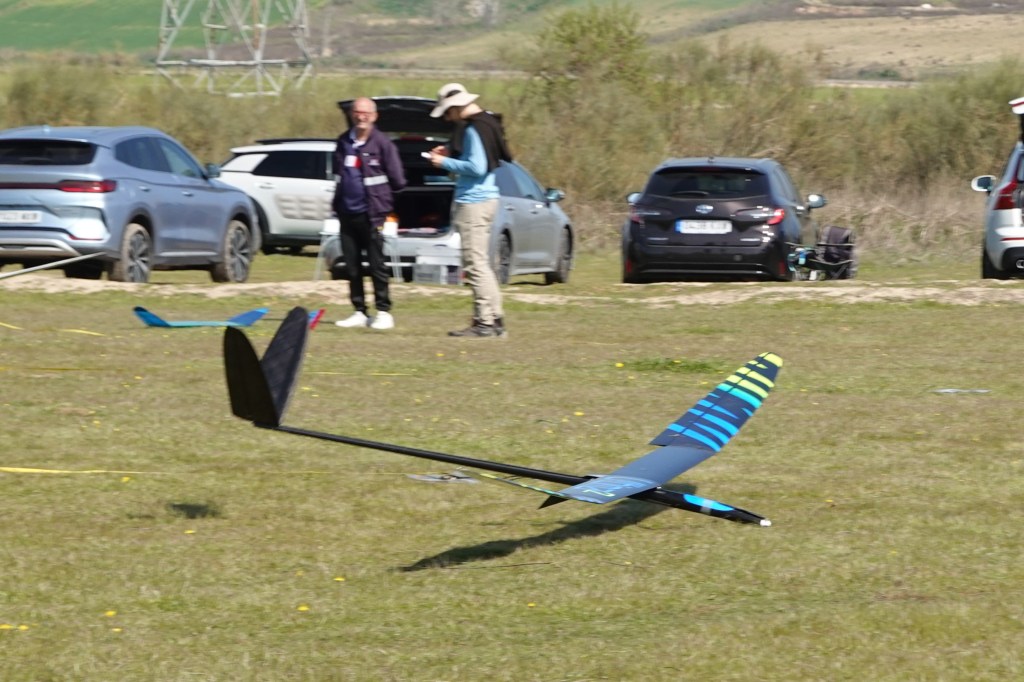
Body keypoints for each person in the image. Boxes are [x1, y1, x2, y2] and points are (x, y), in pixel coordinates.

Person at [426, 83, 513, 338]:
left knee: (474, 265)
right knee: (481, 264)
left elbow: (476, 167)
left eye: (447, 112)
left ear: (455, 107)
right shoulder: (488, 123)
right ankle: (494, 319)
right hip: (487, 200)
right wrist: (451, 152)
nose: (447, 118)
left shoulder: (474, 129)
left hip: (474, 202)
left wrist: (444, 162)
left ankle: (484, 323)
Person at [332, 97, 406, 330]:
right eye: (357, 112)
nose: (361, 116)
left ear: (374, 116)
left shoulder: (383, 144)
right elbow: (337, 174)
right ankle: (359, 311)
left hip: (372, 214)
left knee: (376, 264)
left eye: (366, 112)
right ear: (351, 114)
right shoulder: (343, 141)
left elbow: (398, 180)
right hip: (346, 213)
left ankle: (383, 312)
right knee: (351, 266)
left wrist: (383, 203)